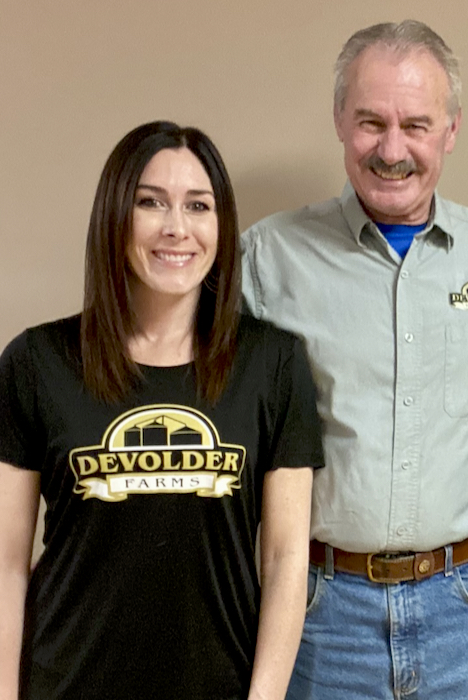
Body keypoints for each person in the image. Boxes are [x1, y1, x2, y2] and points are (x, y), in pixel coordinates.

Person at [240, 20, 468, 700]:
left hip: (466, 611)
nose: (392, 149)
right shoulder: (267, 260)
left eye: (417, 125)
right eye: (371, 121)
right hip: (320, 613)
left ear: (451, 130)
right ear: (340, 120)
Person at [0, 121, 324, 700]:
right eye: (151, 202)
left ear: (221, 225)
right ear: (115, 216)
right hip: (67, 683)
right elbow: (4, 565)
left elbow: (284, 559)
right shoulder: (35, 362)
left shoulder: (273, 364)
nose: (177, 228)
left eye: (198, 206)